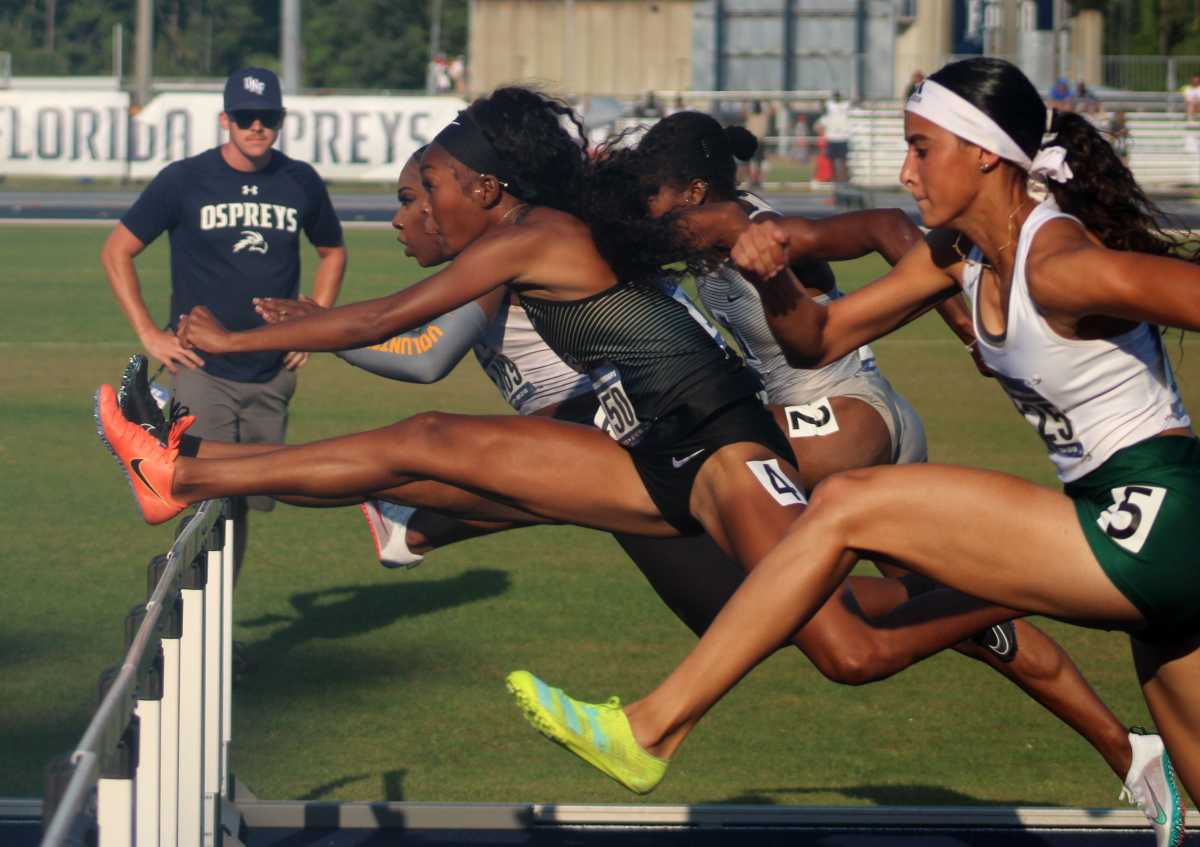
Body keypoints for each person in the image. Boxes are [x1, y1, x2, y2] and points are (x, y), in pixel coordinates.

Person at [104, 89, 1172, 827]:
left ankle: (997, 593)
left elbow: (397, 322)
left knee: (845, 648)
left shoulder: (533, 232)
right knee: (430, 453)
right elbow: (407, 338)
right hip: (651, 451)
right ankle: (181, 473)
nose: (412, 206)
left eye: (425, 186)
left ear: (484, 190)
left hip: (726, 444)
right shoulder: (534, 232)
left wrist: (240, 336)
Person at [505, 57, 1197, 847]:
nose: (904, 171)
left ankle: (653, 727)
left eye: (920, 148)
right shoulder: (955, 258)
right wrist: (775, 283)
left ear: (982, 152)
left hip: (1149, 519)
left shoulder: (1059, 266)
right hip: (1155, 546)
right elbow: (818, 339)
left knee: (844, 505)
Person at [99, 65, 347, 572]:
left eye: (267, 118)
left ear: (280, 120)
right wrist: (149, 334)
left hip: (271, 374)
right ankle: (185, 634)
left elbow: (333, 251)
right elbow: (117, 250)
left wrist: (314, 325)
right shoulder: (185, 180)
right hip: (201, 370)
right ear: (225, 120)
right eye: (245, 117)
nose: (256, 127)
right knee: (200, 501)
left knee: (245, 503)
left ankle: (214, 637)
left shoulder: (299, 181)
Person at [816, 92, 850, 183]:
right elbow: (820, 123)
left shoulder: (845, 106)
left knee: (843, 161)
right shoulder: (829, 107)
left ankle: (844, 179)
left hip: (843, 137)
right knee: (832, 161)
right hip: (832, 138)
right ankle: (835, 179)